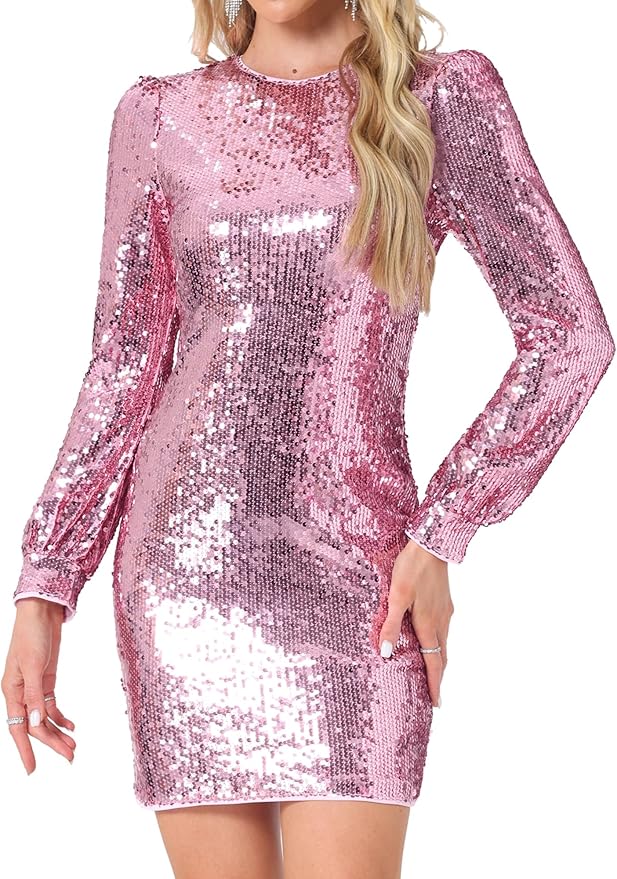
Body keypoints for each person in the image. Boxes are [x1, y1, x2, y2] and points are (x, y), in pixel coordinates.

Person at [3, 0, 615, 876]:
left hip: (361, 582)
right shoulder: (160, 115)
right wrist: (45, 587)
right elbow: (124, 365)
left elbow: (570, 335)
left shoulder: (439, 96)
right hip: (186, 579)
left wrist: (443, 528)